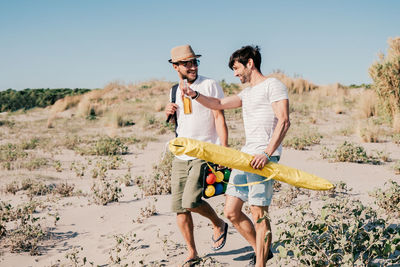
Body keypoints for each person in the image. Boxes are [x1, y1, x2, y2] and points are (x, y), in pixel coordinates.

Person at [182, 45, 290, 267]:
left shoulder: (273, 85)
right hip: (244, 157)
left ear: (250, 63)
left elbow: (284, 120)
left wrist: (267, 153)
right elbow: (219, 104)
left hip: (263, 159)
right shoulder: (247, 93)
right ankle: (262, 250)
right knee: (231, 212)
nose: (235, 73)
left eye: (237, 68)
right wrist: (194, 94)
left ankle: (260, 263)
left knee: (259, 213)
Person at [165, 44, 229, 266]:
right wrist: (169, 114)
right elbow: (181, 122)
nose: (192, 66)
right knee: (179, 208)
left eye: (195, 62)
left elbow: (219, 118)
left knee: (191, 201)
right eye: (187, 63)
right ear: (176, 67)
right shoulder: (174, 89)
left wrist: (223, 151)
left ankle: (218, 223)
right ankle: (192, 252)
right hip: (181, 153)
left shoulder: (209, 84)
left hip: (205, 150)